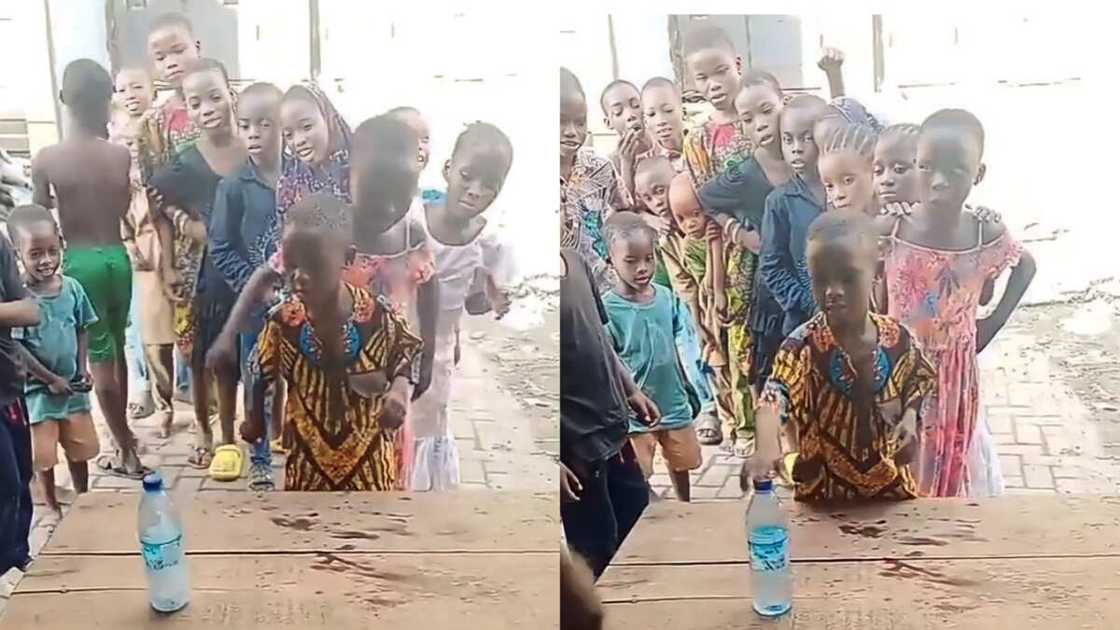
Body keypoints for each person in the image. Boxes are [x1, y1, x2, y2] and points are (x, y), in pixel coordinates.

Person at [209, 113, 437, 488]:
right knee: (317, 465)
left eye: (402, 192)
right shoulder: (326, 230)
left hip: (383, 386)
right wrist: (226, 336)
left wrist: (425, 358)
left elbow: (430, 285)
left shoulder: (411, 234)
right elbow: (267, 273)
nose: (389, 206)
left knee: (384, 477)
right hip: (322, 376)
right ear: (350, 175)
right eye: (377, 191)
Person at [879, 109, 1036, 497]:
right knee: (897, 467)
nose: (939, 182)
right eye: (927, 167)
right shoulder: (893, 229)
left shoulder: (984, 232)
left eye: (956, 171)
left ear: (978, 174)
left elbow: (1025, 265)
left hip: (953, 377)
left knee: (946, 466)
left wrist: (992, 322)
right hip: (899, 372)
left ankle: (938, 550)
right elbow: (853, 267)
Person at [742, 211, 937, 502]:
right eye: (820, 280)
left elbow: (920, 379)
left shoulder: (899, 339)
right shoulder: (802, 346)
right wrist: (767, 444)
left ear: (877, 272)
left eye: (848, 278)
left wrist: (910, 419)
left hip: (892, 494)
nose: (833, 291)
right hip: (824, 500)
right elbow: (775, 394)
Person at [241, 193, 421, 491]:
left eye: (313, 265)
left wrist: (400, 392)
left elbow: (406, 353)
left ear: (348, 259)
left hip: (370, 472)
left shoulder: (376, 316)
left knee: (372, 534)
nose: (299, 278)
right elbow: (259, 373)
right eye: (292, 264)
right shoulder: (284, 322)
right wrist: (256, 419)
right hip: (306, 472)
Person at [31, 59, 143, 479]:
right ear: (106, 99)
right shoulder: (118, 155)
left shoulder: (47, 158)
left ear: (63, 99)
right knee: (117, 350)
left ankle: (127, 449)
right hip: (117, 258)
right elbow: (120, 207)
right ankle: (124, 436)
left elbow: (39, 221)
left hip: (79, 263)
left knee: (99, 362)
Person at [148, 59, 246, 477]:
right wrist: (176, 246)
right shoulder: (186, 162)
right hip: (204, 277)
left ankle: (237, 431)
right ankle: (209, 433)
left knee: (242, 359)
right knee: (204, 356)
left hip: (247, 271)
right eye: (196, 102)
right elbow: (157, 204)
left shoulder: (252, 150)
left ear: (231, 96)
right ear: (186, 109)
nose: (207, 108)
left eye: (214, 97)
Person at [410, 122, 515, 491]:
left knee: (425, 431)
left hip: (436, 355)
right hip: (394, 341)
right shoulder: (413, 220)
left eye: (489, 186)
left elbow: (473, 305)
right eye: (467, 177)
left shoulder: (487, 244)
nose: (475, 192)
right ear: (447, 169)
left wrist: (494, 299)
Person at [696, 73, 794, 450]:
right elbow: (706, 198)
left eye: (767, 111)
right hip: (770, 290)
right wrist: (739, 232)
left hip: (812, 282)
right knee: (772, 368)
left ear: (783, 102)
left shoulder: (806, 153)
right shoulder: (746, 173)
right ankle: (780, 447)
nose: (760, 124)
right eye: (748, 119)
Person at [560, 241, 659, 580]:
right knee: (596, 548)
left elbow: (599, 339)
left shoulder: (574, 263)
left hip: (614, 429)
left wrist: (630, 389)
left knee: (640, 527)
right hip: (575, 450)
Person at [208, 81, 287, 491]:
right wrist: (254, 289)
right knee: (256, 377)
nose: (253, 133)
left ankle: (291, 440)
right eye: (246, 125)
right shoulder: (234, 186)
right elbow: (220, 247)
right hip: (255, 306)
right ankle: (258, 456)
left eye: (265, 124)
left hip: (304, 302)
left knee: (301, 373)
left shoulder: (301, 177)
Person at [602, 213, 701, 502]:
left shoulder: (666, 297)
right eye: (630, 261)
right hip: (635, 411)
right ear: (610, 263)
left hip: (672, 399)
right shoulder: (608, 310)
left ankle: (685, 505)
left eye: (648, 258)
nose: (642, 268)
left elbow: (675, 344)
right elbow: (610, 361)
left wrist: (687, 385)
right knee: (638, 470)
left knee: (682, 461)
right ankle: (647, 506)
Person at [8, 206, 99, 514]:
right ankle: (52, 508)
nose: (45, 261)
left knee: (79, 450)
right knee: (43, 457)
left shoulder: (72, 288)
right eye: (35, 254)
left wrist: (82, 367)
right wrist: (50, 379)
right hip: (39, 393)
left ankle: (83, 498)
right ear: (17, 253)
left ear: (61, 243)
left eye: (51, 251)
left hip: (72, 389)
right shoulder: (19, 299)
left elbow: (83, 328)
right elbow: (18, 347)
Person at [632, 157, 719, 449]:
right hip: (689, 304)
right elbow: (683, 285)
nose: (657, 202)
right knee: (691, 351)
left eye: (660, 190)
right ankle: (709, 409)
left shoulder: (705, 221)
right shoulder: (665, 236)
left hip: (721, 298)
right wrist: (696, 320)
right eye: (647, 197)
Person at [111, 69, 178, 436]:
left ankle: (205, 406)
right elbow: (115, 200)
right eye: (122, 88)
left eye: (138, 86)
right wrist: (128, 242)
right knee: (151, 337)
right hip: (140, 247)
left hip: (176, 240)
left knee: (190, 333)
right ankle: (162, 404)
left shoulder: (166, 131)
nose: (131, 94)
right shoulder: (115, 139)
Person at [666, 172, 752, 455]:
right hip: (710, 321)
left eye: (696, 214)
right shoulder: (690, 246)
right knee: (720, 373)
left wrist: (718, 245)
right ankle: (730, 424)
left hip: (737, 316)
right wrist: (700, 326)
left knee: (742, 370)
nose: (690, 224)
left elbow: (728, 282)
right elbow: (706, 288)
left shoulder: (728, 234)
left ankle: (746, 428)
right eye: (681, 218)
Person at [759, 94, 830, 338]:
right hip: (804, 324)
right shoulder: (780, 201)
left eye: (806, 138)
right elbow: (771, 266)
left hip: (852, 314)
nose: (796, 148)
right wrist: (806, 302)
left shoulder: (845, 192)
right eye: (788, 139)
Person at [560, 67, 624, 291]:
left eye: (579, 122)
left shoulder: (600, 169)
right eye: (560, 121)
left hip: (605, 287)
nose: (571, 131)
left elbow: (623, 212)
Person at [0, 226, 40, 576]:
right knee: (7, 481)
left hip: (8, 386)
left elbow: (30, 311)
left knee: (22, 475)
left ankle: (16, 552)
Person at [680, 23, 752, 190]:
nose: (713, 85)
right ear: (693, 81)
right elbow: (706, 198)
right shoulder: (698, 140)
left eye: (721, 71)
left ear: (738, 65)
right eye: (702, 78)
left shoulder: (768, 114)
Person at [145, 12, 203, 157]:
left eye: (178, 51)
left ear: (197, 47)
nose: (170, 63)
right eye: (160, 57)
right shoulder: (158, 119)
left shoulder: (230, 101)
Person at [600, 79, 652, 203]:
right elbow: (624, 208)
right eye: (618, 112)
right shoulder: (609, 166)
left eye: (636, 106)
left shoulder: (663, 144)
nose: (630, 115)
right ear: (608, 122)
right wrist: (626, 164)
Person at [640, 77, 686, 171]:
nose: (660, 121)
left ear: (683, 112)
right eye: (651, 114)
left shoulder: (703, 143)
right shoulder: (647, 163)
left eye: (668, 110)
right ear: (645, 121)